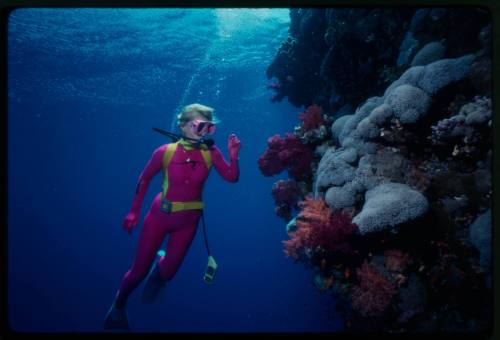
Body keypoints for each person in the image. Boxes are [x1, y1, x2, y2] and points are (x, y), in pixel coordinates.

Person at [104, 103, 241, 330]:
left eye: (210, 128)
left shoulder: (211, 153)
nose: (205, 132)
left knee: (167, 274)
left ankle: (160, 260)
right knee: (137, 273)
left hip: (189, 222)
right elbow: (144, 178)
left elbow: (231, 177)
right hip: (159, 217)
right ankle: (118, 307)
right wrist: (134, 211)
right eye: (200, 126)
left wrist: (234, 156)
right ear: (183, 126)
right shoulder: (164, 152)